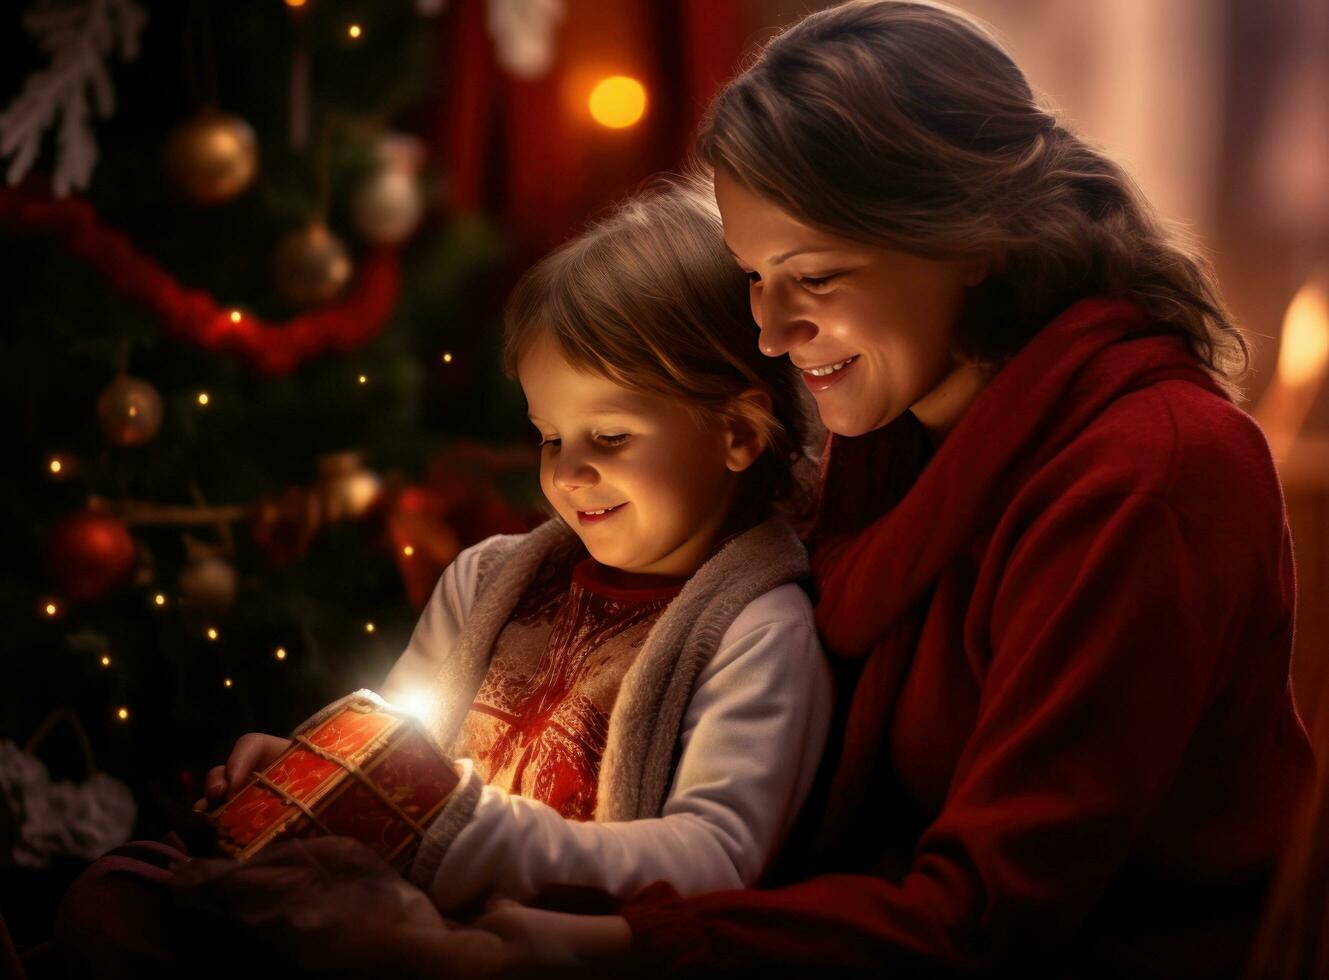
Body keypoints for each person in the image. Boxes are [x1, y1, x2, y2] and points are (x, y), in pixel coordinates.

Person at [459, 1, 1316, 976]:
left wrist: (592, 948)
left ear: (976, 239)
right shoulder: (884, 446)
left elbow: (986, 917)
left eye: (815, 276)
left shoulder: (1151, 476)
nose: (772, 332)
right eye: (754, 277)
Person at [50, 181, 832, 975]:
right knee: (122, 887)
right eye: (549, 437)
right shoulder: (488, 579)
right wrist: (304, 777)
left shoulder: (754, 631)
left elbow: (715, 861)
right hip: (389, 898)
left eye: (608, 436)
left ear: (735, 434)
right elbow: (393, 748)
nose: (567, 475)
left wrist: (466, 834)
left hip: (509, 950)